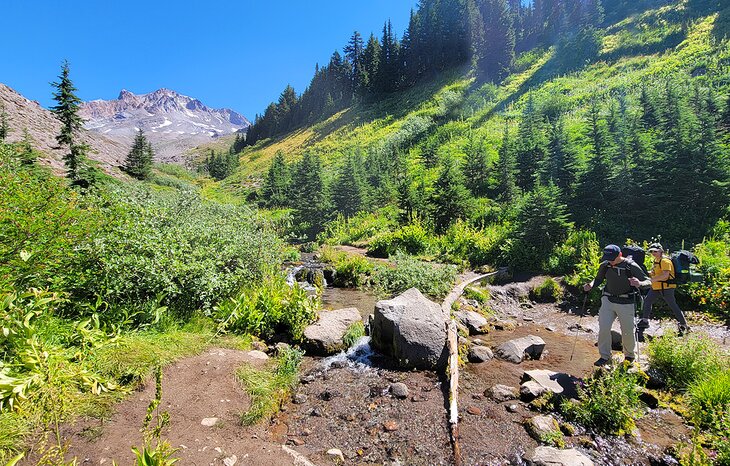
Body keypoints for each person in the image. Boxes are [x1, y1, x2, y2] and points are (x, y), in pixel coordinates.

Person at [584, 244, 651, 366]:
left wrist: (639, 283)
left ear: (620, 255)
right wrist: (591, 285)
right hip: (608, 300)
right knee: (604, 328)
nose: (610, 261)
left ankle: (629, 355)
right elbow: (598, 279)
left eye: (612, 259)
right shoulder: (605, 265)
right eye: (608, 258)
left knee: (627, 331)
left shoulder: (631, 266)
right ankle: (604, 356)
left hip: (626, 302)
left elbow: (648, 281)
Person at [638, 243, 690, 335]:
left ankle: (684, 325)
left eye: (655, 251)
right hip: (657, 286)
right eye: (651, 251)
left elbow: (665, 275)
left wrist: (652, 279)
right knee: (647, 301)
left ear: (661, 251)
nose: (653, 253)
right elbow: (656, 272)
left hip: (666, 288)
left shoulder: (665, 261)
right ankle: (644, 321)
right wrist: (646, 273)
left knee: (673, 306)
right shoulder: (657, 260)